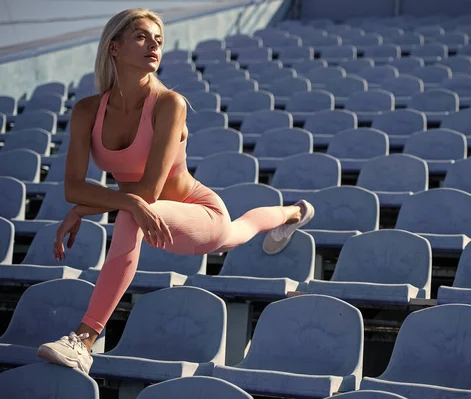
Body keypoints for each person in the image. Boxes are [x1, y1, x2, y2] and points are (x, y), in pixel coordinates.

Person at [36, 8, 314, 374]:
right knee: (232, 231)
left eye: (158, 40)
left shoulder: (169, 103)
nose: (153, 44)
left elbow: (148, 191)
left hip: (197, 210)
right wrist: (92, 204)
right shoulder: (88, 110)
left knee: (192, 225)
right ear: (114, 48)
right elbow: (73, 186)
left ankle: (84, 341)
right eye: (141, 37)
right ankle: (295, 213)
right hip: (151, 211)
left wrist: (91, 206)